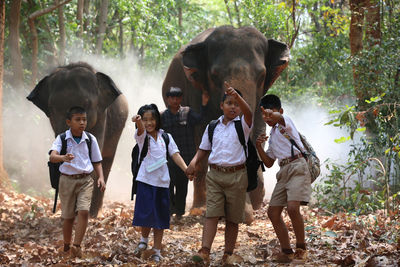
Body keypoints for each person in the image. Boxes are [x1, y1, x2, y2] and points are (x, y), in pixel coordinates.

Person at [186, 82, 253, 265]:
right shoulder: (213, 126)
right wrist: (193, 163)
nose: (233, 106)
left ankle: (228, 253)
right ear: (221, 106)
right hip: (214, 175)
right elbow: (203, 149)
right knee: (211, 214)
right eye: (229, 103)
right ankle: (205, 251)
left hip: (237, 176)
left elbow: (249, 113)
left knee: (233, 218)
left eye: (236, 104)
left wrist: (238, 96)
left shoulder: (243, 125)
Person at [131, 104, 191, 263]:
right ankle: (144, 240)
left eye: (152, 119)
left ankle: (156, 250)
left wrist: (186, 169)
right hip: (145, 181)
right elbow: (141, 130)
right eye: (145, 120)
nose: (149, 123)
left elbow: (175, 154)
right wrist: (137, 122)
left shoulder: (166, 137)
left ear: (158, 120)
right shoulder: (142, 136)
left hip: (163, 183)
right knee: (146, 215)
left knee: (160, 218)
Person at [255, 94, 311, 263]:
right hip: (283, 170)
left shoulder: (286, 123)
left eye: (269, 114)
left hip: (297, 166)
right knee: (272, 212)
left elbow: (278, 117)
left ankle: (301, 249)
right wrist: (260, 147)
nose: (267, 118)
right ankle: (287, 251)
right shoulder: (272, 136)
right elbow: (269, 162)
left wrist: (274, 115)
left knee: (293, 208)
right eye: (263, 115)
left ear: (280, 111)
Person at [49, 106, 106, 258]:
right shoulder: (62, 138)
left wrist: (101, 177)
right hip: (67, 181)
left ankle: (77, 246)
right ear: (69, 122)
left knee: (84, 211)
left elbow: (97, 162)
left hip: (86, 180)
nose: (82, 123)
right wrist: (63, 158)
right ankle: (67, 245)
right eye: (78, 119)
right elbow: (52, 157)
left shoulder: (90, 139)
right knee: (68, 217)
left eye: (84, 119)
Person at [161, 86, 209, 221]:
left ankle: (179, 213)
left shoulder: (187, 112)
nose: (175, 100)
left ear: (181, 99)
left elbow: (200, 120)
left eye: (177, 98)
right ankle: (169, 212)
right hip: (168, 158)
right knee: (168, 184)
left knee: (182, 184)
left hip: (186, 156)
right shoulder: (163, 116)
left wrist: (204, 104)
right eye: (172, 98)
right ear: (168, 99)